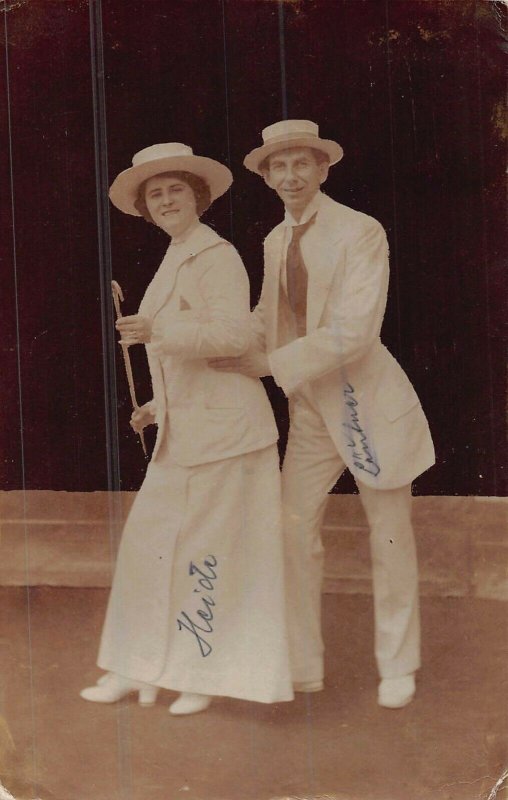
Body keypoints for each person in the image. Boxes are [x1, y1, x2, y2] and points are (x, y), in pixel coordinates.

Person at [210, 120, 435, 709]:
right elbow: (267, 317)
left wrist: (270, 364)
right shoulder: (273, 241)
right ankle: (303, 666)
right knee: (290, 530)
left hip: (367, 405)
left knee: (388, 536)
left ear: (323, 169)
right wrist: (210, 337)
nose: (290, 176)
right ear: (265, 177)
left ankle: (398, 664)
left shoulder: (361, 232)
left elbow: (357, 331)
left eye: (301, 164)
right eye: (277, 167)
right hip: (311, 410)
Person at [80, 142, 294, 715]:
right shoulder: (177, 254)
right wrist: (155, 405)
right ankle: (133, 667)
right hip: (188, 433)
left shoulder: (216, 254)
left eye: (176, 189)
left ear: (196, 196)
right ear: (147, 209)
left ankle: (203, 677)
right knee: (148, 547)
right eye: (156, 194)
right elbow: (186, 351)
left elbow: (232, 336)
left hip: (228, 435)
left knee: (210, 558)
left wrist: (156, 330)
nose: (167, 199)